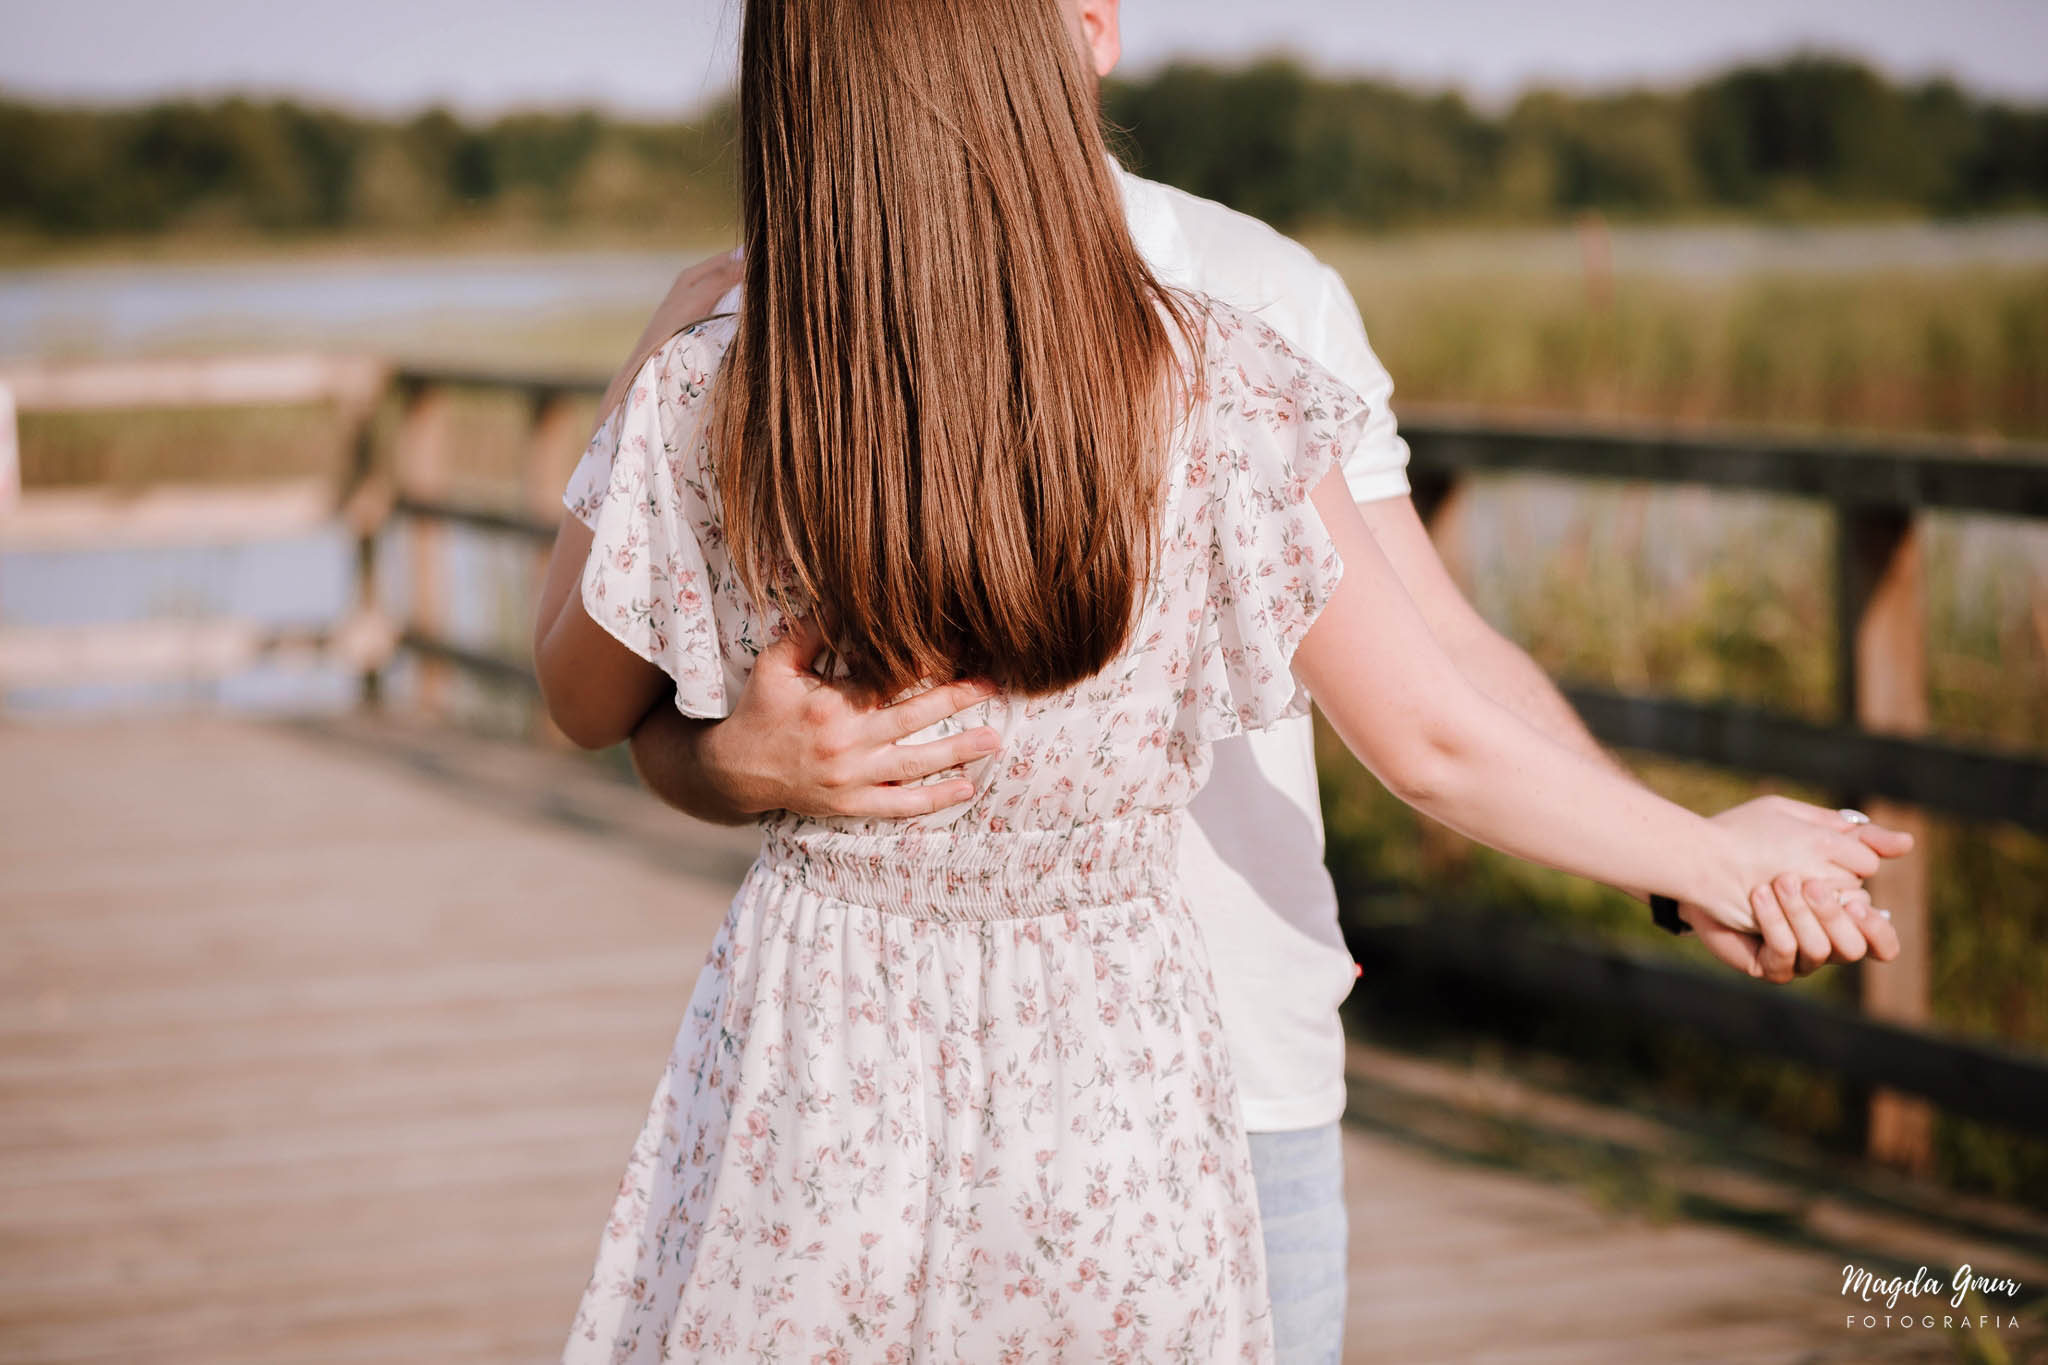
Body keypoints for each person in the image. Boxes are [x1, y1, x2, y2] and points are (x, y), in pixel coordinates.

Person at [560, 2, 1909, 1361]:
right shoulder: (1206, 374)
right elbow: (1430, 731)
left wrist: (1686, 865)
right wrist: (1712, 857)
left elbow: (577, 690)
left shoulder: (723, 379)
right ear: (1048, 49)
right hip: (1123, 1077)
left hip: (841, 1064)